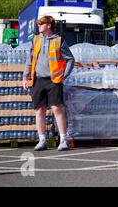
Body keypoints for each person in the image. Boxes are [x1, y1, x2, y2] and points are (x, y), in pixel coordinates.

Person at [23, 16, 75, 151]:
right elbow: (30, 59)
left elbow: (70, 59)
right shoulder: (35, 40)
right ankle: (42, 140)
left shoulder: (58, 41)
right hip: (38, 79)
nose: (39, 26)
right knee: (39, 110)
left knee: (57, 109)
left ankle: (63, 140)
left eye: (41, 23)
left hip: (54, 80)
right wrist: (25, 76)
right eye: (39, 24)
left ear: (49, 25)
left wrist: (64, 76)